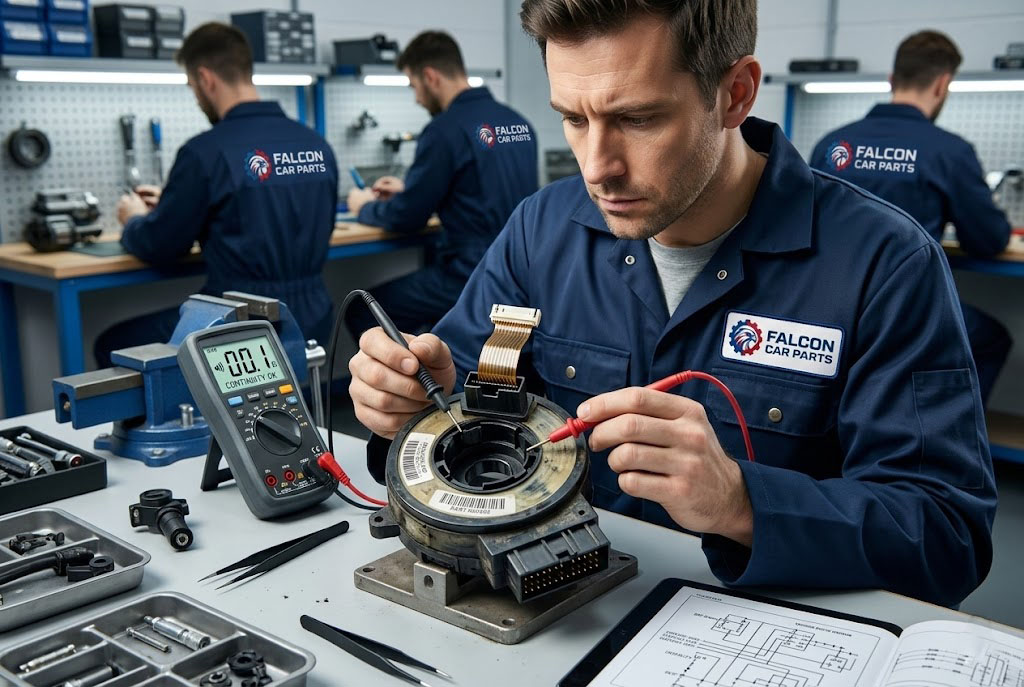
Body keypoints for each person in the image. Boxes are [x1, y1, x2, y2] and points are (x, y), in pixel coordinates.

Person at [347, 0, 996, 607]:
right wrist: (407, 404)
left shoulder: (885, 264)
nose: (597, 166)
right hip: (571, 618)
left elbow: (947, 534)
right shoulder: (539, 233)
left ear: (734, 94)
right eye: (574, 118)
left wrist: (742, 501)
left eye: (637, 118)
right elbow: (452, 407)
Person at [95, 22, 338, 368]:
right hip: (313, 314)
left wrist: (133, 219)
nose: (196, 96)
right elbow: (258, 202)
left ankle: (183, 421)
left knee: (114, 343)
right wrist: (180, 199)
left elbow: (160, 245)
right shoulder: (316, 144)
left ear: (206, 79)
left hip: (238, 322)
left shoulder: (204, 152)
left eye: (193, 86)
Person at [809, 30, 1013, 405]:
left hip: (821, 307)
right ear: (942, 84)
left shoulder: (834, 144)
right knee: (992, 338)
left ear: (891, 79)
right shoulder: (949, 152)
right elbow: (988, 240)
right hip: (901, 315)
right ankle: (949, 443)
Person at [344, 30, 538, 337]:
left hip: (471, 273)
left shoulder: (443, 130)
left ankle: (416, 380)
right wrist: (412, 189)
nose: (417, 98)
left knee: (362, 309)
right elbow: (483, 186)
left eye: (413, 86)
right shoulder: (517, 121)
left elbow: (406, 218)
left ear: (430, 76)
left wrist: (364, 206)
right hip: (520, 270)